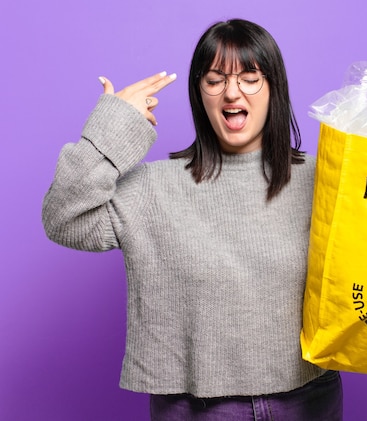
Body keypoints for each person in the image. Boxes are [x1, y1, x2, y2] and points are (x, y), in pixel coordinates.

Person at [42, 18, 343, 420]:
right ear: (199, 93)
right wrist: (112, 128)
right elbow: (63, 219)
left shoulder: (322, 179)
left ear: (274, 87)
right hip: (197, 408)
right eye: (215, 79)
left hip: (309, 398)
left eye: (250, 77)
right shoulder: (152, 187)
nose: (231, 91)